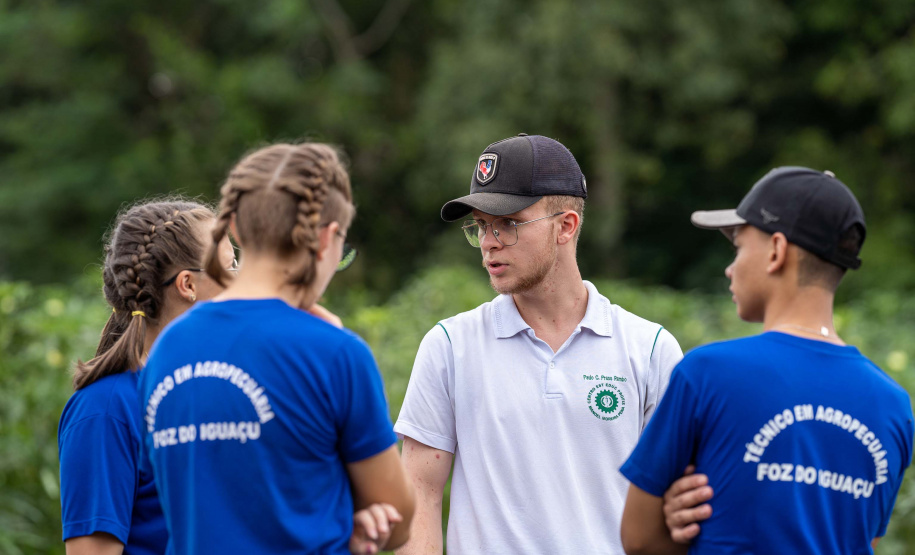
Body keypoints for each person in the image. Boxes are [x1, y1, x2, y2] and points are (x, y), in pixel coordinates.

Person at [393, 134, 686, 554]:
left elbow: (675, 506)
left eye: (508, 224)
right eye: (480, 227)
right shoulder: (449, 346)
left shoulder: (651, 349)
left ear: (566, 226)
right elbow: (419, 496)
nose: (490, 242)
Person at [137, 143, 415, 554]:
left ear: (236, 227)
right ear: (327, 239)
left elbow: (202, 496)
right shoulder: (336, 353)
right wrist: (351, 517)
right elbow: (397, 518)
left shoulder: (166, 349)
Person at [619, 167, 914, 554]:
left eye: (739, 247)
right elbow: (862, 538)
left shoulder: (708, 373)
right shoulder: (894, 405)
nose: (730, 267)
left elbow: (639, 540)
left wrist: (680, 530)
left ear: (776, 251)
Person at [58, 199, 235, 555]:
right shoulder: (105, 411)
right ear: (188, 284)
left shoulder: (221, 392)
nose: (246, 278)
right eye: (232, 264)